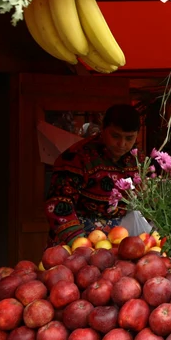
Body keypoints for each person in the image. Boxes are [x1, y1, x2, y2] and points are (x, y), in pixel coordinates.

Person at [45, 104, 140, 246]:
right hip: (76, 240)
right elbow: (59, 204)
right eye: (115, 136)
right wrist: (81, 244)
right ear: (103, 129)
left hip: (119, 242)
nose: (122, 144)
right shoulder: (77, 158)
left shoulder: (138, 160)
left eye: (129, 138)